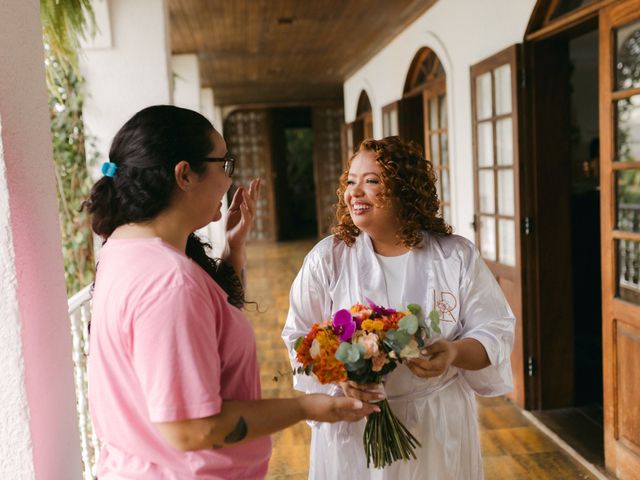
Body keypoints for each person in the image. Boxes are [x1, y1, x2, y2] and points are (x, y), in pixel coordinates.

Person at [84, 105, 377, 479]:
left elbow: (209, 319)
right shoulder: (169, 281)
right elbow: (193, 429)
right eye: (224, 164)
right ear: (185, 174)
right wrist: (307, 407)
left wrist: (233, 249)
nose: (228, 180)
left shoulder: (123, 249)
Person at [282, 136, 515, 479]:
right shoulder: (327, 259)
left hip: (436, 423)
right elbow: (300, 337)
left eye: (372, 181)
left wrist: (452, 352)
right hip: (355, 422)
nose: (354, 192)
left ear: (405, 189)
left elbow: (495, 331)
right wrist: (343, 378)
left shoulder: (455, 257)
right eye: (350, 181)